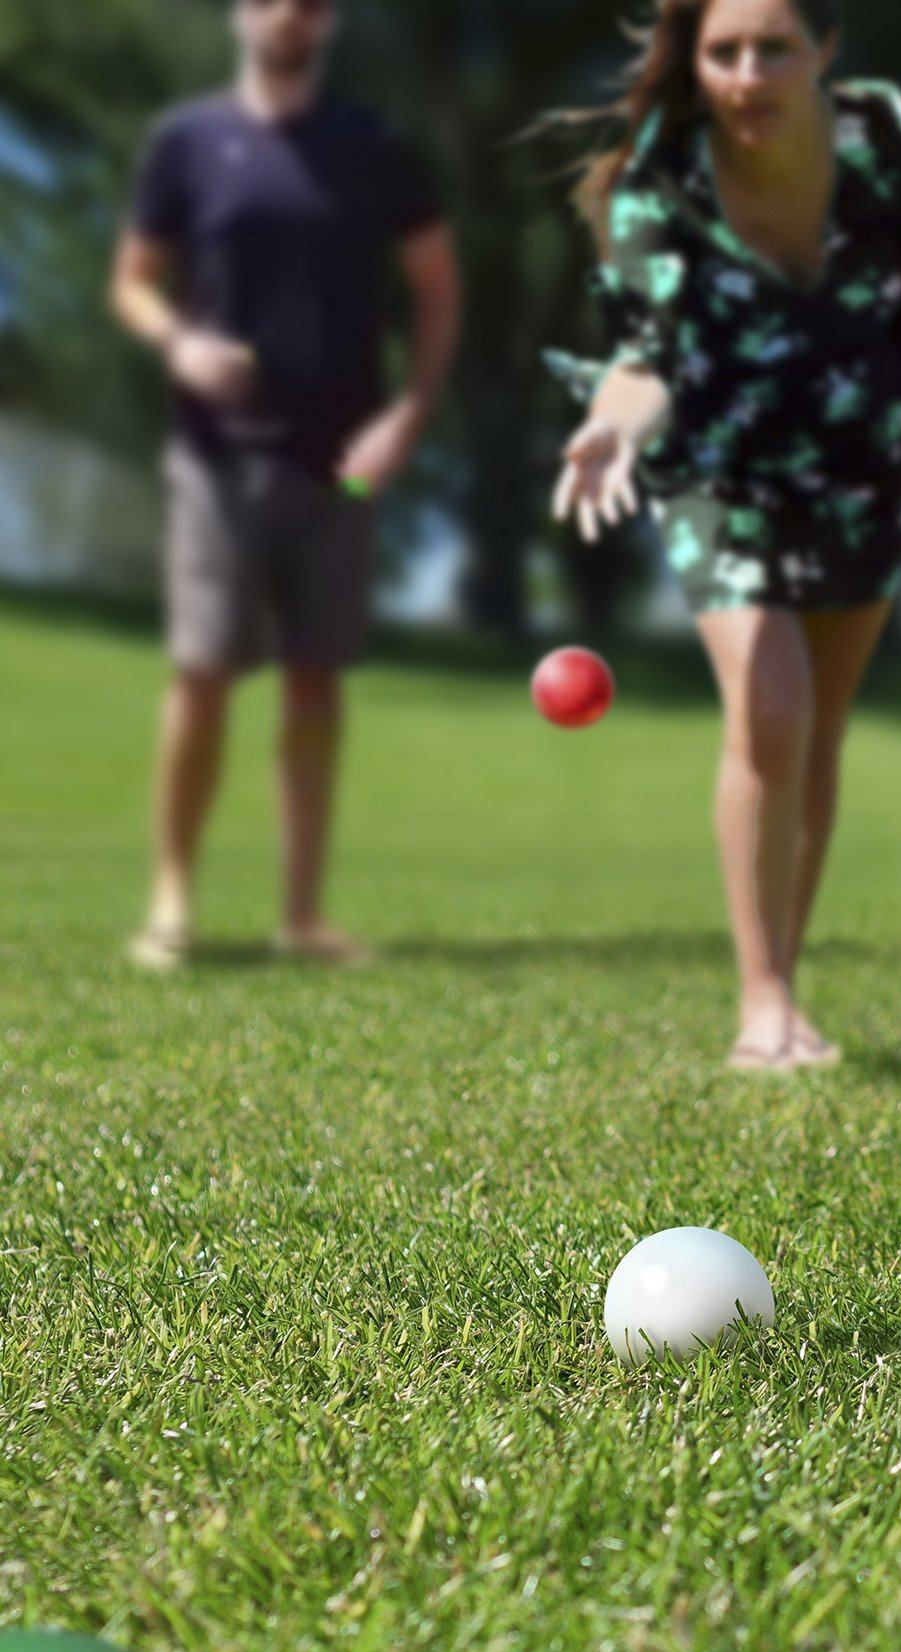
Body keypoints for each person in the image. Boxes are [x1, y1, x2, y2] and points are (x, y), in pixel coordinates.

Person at [549, 0, 901, 1073]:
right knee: (774, 715)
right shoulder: (663, 183)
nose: (748, 74)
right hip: (718, 469)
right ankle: (761, 1005)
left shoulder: (889, 140)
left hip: (864, 462)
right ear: (693, 63)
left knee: (820, 734)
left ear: (825, 49)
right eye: (723, 52)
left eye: (774, 48)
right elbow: (648, 354)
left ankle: (787, 987)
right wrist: (610, 432)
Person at [111, 0, 460, 970]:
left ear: (332, 19)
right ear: (241, 12)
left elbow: (436, 290)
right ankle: (171, 903)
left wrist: (408, 416)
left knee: (317, 680)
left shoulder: (374, 146)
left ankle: (302, 916)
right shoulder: (186, 142)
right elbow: (134, 279)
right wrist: (178, 341)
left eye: (310, 1)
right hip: (217, 457)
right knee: (203, 672)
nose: (290, 14)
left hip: (345, 467)